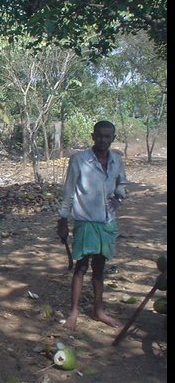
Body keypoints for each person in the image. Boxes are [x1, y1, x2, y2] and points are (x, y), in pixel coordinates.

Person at [57, 120, 127, 331]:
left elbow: (122, 183)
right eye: (99, 135)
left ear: (113, 138)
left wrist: (119, 198)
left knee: (99, 269)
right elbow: (69, 192)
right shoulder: (79, 160)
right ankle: (73, 312)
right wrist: (63, 220)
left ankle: (98, 311)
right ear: (92, 136)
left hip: (107, 222)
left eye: (107, 136)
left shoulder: (116, 160)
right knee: (81, 267)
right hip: (85, 221)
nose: (103, 140)